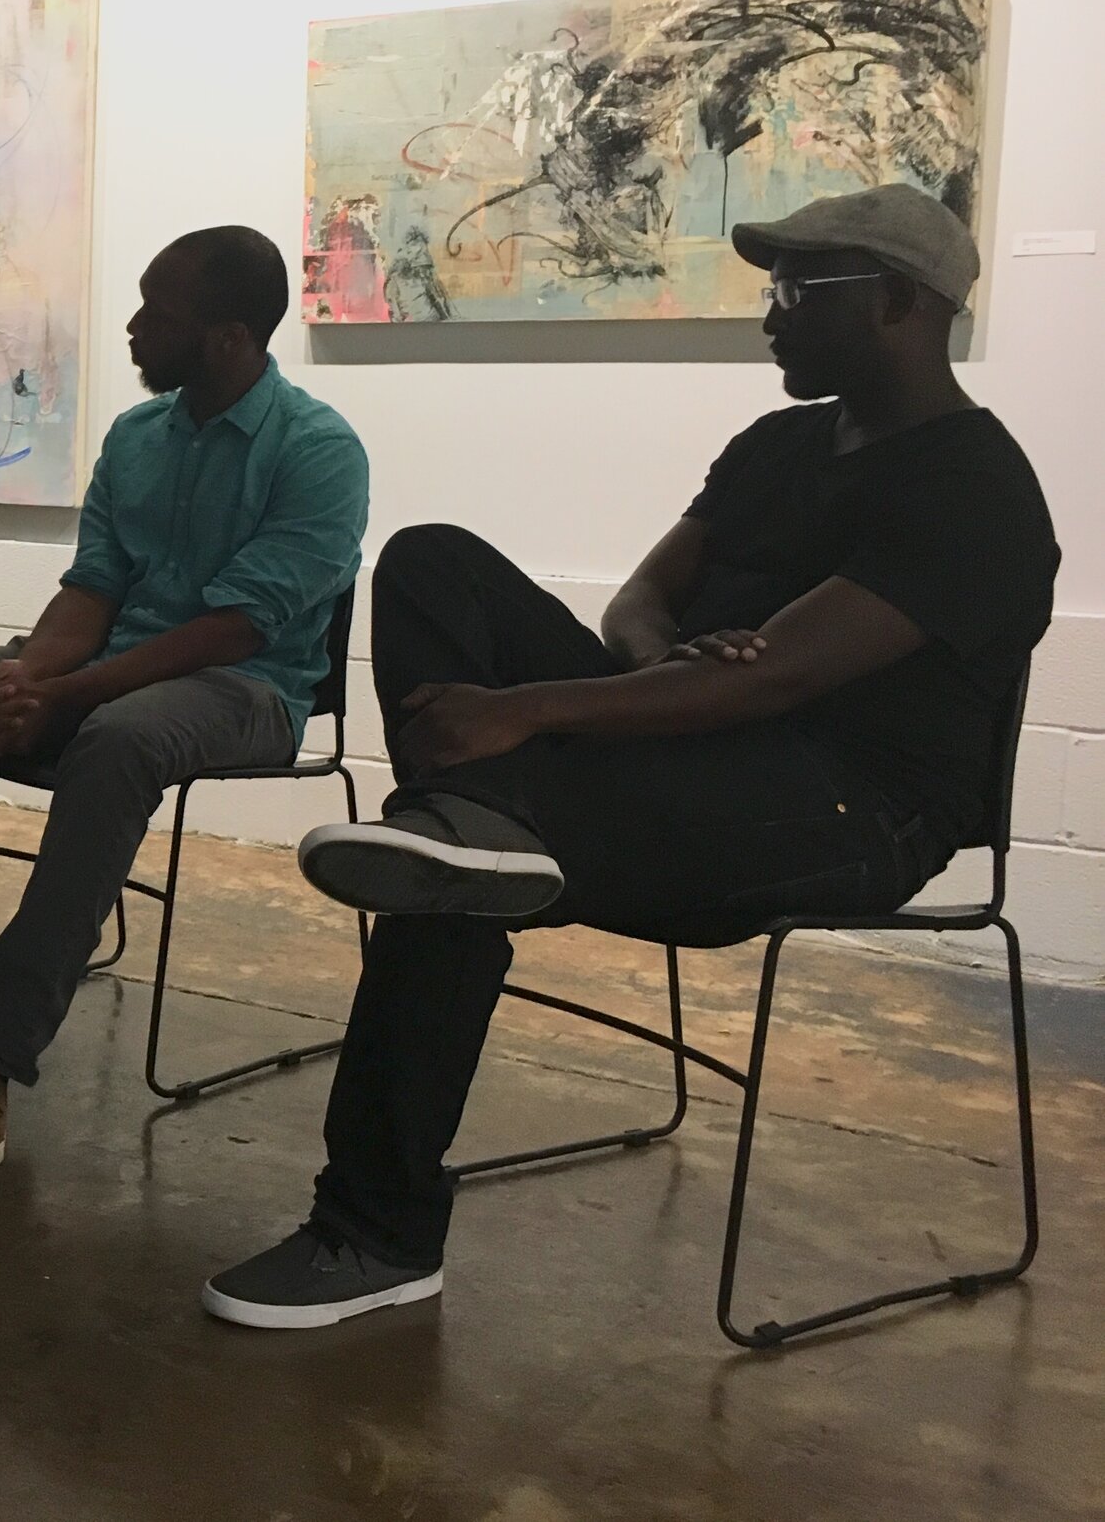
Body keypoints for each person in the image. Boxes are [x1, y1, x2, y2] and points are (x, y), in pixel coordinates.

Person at [203, 184, 1057, 1331]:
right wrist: (665, 661)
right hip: (690, 743)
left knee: (455, 873)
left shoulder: (975, 489)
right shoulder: (774, 445)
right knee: (430, 565)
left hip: (845, 812)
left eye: (799, 289)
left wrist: (526, 713)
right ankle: (467, 825)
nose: (770, 313)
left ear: (900, 301)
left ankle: (373, 1231)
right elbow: (641, 603)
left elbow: (777, 678)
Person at [0, 226, 371, 1174]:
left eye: (158, 313)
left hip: (246, 689)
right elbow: (92, 591)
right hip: (103, 672)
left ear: (229, 338)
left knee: (115, 738)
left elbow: (236, 628)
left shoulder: (319, 451)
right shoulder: (138, 436)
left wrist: (65, 695)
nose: (135, 328)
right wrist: (30, 677)